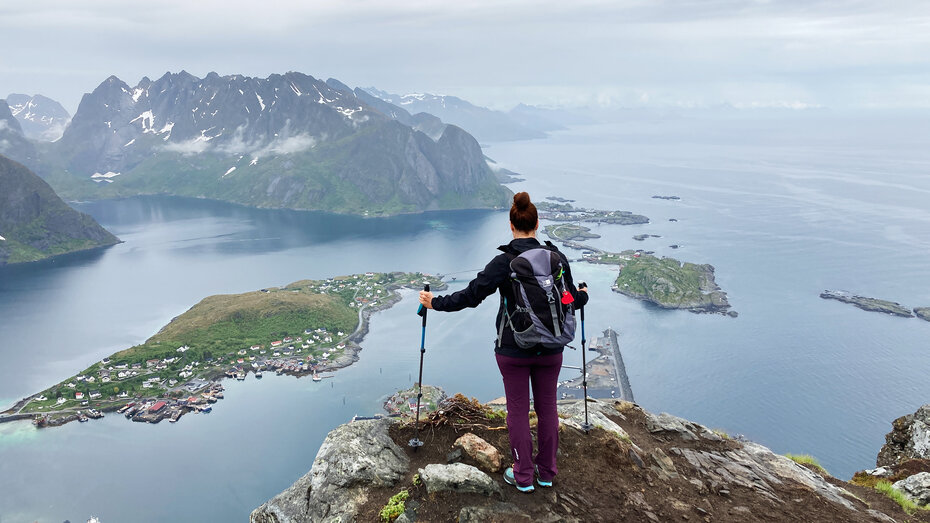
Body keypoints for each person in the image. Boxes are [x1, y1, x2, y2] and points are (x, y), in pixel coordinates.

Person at [418, 191, 588, 493]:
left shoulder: (504, 262)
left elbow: (469, 297)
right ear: (537, 224)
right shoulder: (556, 257)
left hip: (513, 349)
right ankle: (546, 473)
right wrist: (584, 294)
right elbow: (571, 298)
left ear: (512, 226)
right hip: (552, 348)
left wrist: (434, 303)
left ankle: (523, 476)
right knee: (548, 408)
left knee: (518, 411)